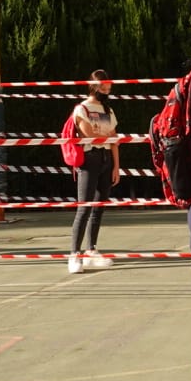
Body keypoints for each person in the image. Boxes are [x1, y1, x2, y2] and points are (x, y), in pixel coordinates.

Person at [67, 70, 119, 274]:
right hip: (89, 160)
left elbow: (114, 139)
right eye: (104, 87)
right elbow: (90, 136)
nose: (107, 90)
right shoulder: (82, 108)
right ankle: (74, 254)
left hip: (106, 160)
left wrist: (116, 167)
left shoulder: (108, 109)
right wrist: (104, 135)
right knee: (84, 207)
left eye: (109, 87)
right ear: (94, 86)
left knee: (99, 207)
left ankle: (91, 249)